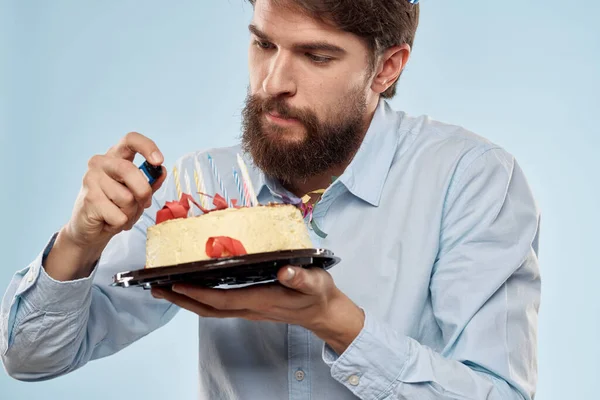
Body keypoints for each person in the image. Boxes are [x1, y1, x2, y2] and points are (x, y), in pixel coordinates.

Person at [0, 0, 541, 399]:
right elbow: (31, 357)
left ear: (387, 68)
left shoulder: (470, 180)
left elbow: (500, 393)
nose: (273, 82)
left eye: (316, 55)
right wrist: (78, 242)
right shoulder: (198, 184)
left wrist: (336, 322)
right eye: (263, 44)